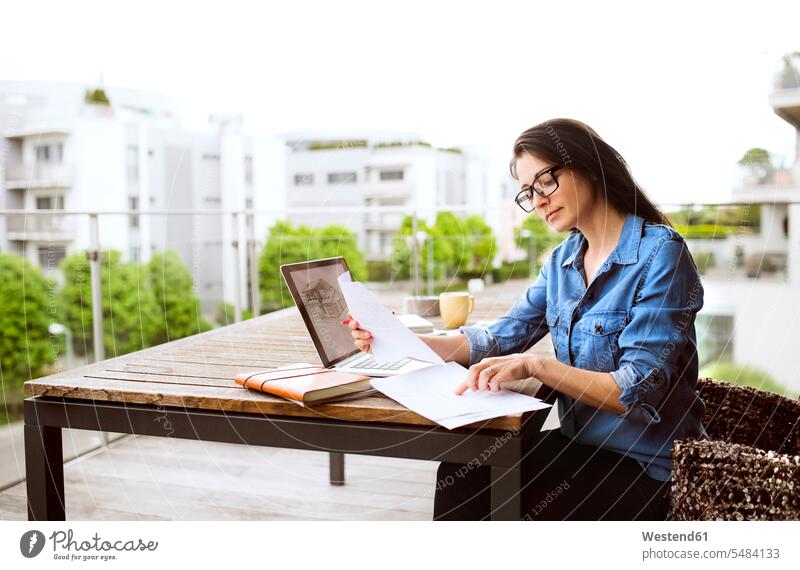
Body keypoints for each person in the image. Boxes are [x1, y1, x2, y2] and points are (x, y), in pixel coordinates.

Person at [347, 118, 706, 520]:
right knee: (464, 471)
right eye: (527, 192)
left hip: (647, 467)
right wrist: (398, 338)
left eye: (546, 181)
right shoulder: (561, 263)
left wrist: (538, 366)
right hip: (583, 448)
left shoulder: (661, 254)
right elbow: (499, 338)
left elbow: (633, 391)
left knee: (491, 489)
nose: (537, 201)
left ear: (589, 165)